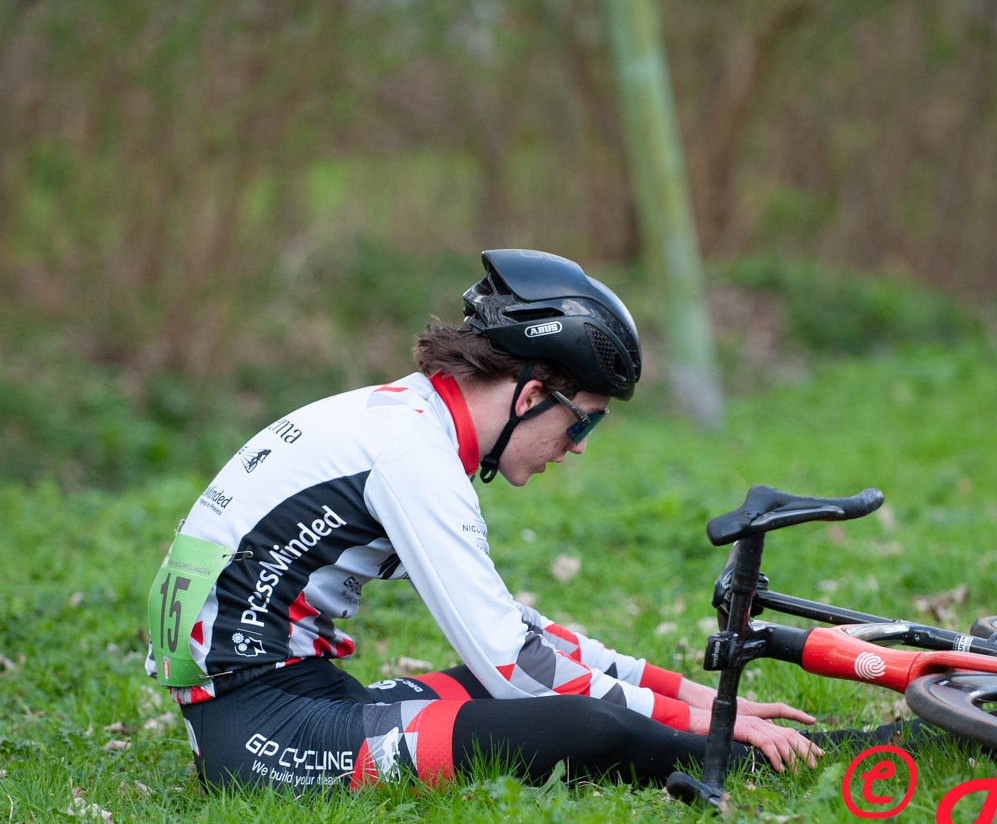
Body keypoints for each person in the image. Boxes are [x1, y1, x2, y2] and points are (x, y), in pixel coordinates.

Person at [144, 248, 823, 792]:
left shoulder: (405, 421)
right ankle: (780, 754)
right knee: (585, 726)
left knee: (519, 690)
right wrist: (704, 722)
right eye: (583, 421)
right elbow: (511, 665)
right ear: (532, 395)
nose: (579, 447)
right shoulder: (413, 456)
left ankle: (754, 741)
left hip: (287, 696)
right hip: (263, 737)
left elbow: (515, 637)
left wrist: (699, 698)